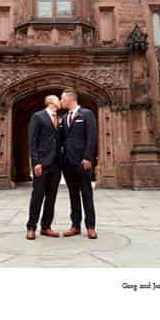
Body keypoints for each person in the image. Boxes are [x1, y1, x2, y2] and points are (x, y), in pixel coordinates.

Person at [58, 89, 97, 239]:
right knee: (73, 195)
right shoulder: (65, 117)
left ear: (70, 99)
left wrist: (88, 158)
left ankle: (91, 227)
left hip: (83, 162)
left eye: (62, 98)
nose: (61, 101)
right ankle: (75, 225)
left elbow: (91, 137)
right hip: (68, 163)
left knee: (86, 194)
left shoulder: (86, 114)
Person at [26, 94, 62, 240]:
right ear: (51, 102)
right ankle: (31, 227)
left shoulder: (59, 119)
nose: (60, 101)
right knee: (38, 195)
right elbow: (32, 141)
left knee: (51, 197)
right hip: (42, 163)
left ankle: (46, 227)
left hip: (56, 164)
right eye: (58, 99)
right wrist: (36, 162)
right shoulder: (38, 116)